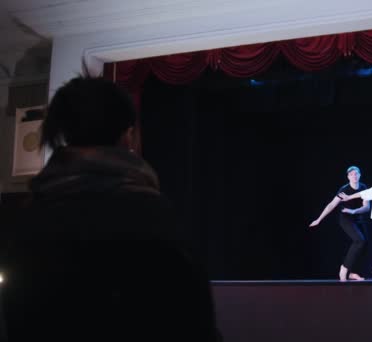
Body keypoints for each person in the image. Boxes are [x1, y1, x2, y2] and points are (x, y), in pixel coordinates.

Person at [0, 77, 218, 341]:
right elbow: (194, 325)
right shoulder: (153, 217)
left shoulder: (27, 220)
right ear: (128, 136)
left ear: (63, 133)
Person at [310, 166, 370, 281]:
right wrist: (319, 219)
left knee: (365, 244)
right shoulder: (344, 189)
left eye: (356, 173)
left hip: (357, 218)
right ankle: (344, 268)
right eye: (351, 174)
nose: (354, 176)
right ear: (348, 177)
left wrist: (354, 211)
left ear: (360, 175)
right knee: (359, 240)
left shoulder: (363, 188)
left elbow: (367, 207)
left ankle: (352, 272)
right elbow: (332, 205)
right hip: (346, 219)